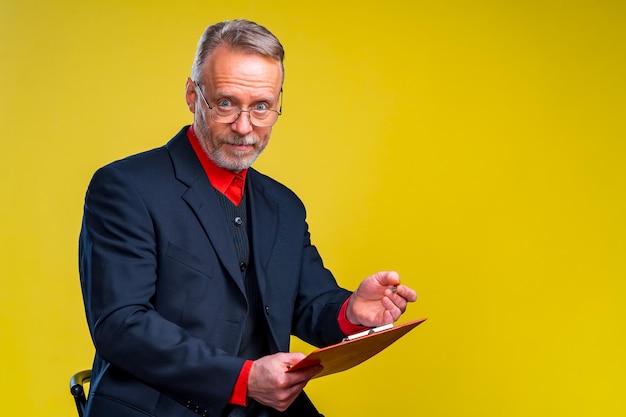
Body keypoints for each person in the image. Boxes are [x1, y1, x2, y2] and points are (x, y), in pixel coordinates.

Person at [79, 19, 417, 417]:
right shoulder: (124, 187)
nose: (244, 128)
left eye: (261, 107)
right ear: (193, 95)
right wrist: (242, 379)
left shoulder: (284, 205)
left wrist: (352, 311)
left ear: (277, 104)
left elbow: (308, 304)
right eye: (225, 103)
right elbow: (121, 324)